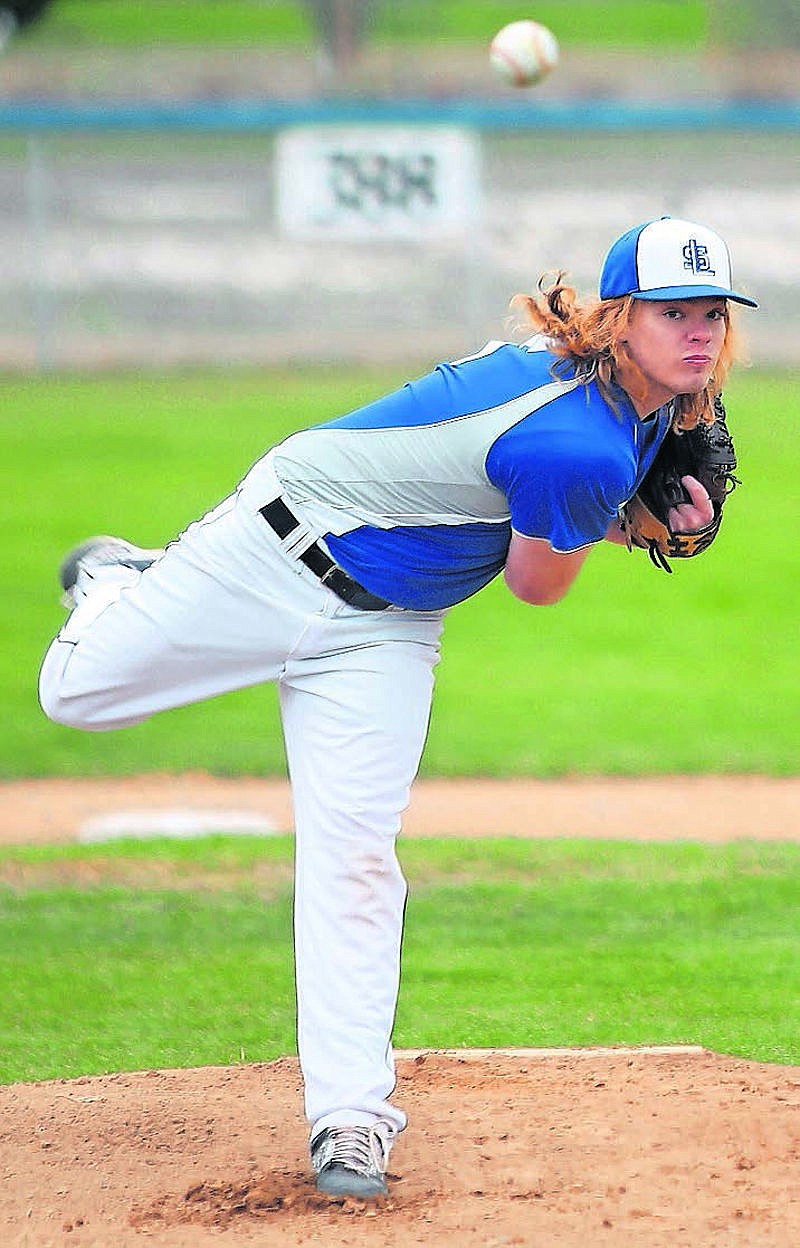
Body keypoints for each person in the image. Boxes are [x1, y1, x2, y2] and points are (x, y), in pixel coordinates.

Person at [38, 215, 756, 1200]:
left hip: (386, 624)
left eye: (711, 312)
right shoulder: (581, 443)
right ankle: (127, 582)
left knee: (356, 858)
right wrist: (632, 518)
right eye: (672, 312)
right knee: (74, 696)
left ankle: (350, 1121)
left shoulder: (630, 401)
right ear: (621, 316)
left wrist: (635, 499)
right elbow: (537, 585)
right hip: (276, 549)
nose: (697, 334)